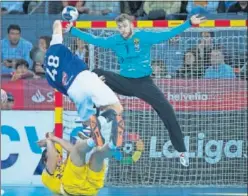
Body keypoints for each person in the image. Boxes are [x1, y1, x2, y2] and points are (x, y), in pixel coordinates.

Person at [65, 13, 206, 167]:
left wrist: (189, 23)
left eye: (125, 26)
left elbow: (167, 34)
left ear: (132, 25)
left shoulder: (143, 37)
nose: (123, 30)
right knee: (96, 73)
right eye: (120, 27)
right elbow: (95, 40)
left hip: (144, 84)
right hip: (124, 82)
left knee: (167, 110)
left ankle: (181, 151)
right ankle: (92, 127)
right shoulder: (115, 40)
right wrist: (73, 30)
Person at [44, 20, 124, 147]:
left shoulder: (48, 77)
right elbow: (57, 25)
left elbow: (64, 90)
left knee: (88, 122)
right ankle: (100, 124)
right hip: (83, 77)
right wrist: (67, 19)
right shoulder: (53, 47)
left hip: (73, 91)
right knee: (116, 108)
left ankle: (90, 134)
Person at [38, 131, 116, 195]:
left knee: (97, 156)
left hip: (91, 188)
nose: (58, 157)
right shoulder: (46, 176)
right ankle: (92, 140)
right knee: (77, 149)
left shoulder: (65, 165)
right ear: (45, 161)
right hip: (72, 189)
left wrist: (54, 138)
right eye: (55, 155)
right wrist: (49, 140)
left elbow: (71, 149)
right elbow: (54, 155)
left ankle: (112, 144)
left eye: (59, 155)